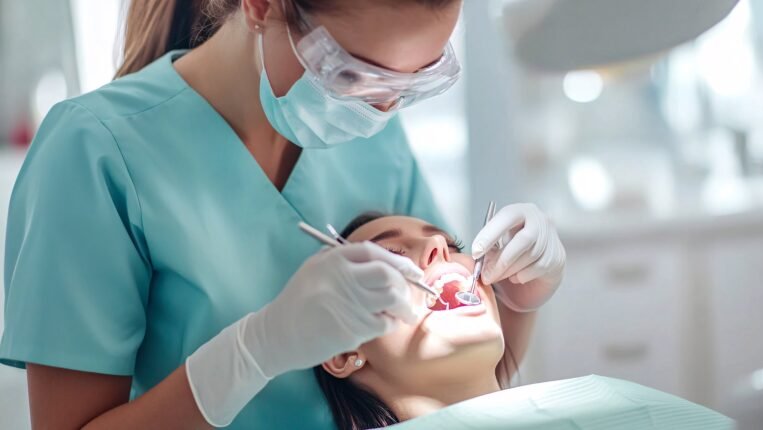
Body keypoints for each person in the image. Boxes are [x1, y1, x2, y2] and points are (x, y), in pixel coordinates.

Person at [0, 0, 565, 428]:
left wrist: (517, 300)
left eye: (413, 82)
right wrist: (252, 351)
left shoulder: (373, 135)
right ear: (262, 6)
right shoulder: (94, 152)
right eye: (359, 76)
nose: (384, 109)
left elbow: (450, 380)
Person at [314, 213, 734, 430]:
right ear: (342, 348)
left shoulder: (609, 400)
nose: (438, 246)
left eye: (452, 243)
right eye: (390, 257)